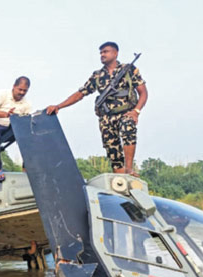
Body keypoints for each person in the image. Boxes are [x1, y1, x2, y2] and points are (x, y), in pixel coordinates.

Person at [46, 42, 148, 176]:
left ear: (115, 53)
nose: (102, 55)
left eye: (105, 52)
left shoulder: (128, 69)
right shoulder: (97, 75)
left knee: (128, 127)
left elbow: (143, 93)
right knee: (113, 151)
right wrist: (59, 106)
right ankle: (120, 178)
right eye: (101, 53)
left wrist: (136, 111)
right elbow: (80, 94)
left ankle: (129, 169)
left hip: (125, 112)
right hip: (106, 117)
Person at [0, 76, 32, 182]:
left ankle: (26, 168)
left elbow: (26, 121)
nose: (22, 92)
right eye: (20, 89)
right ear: (14, 86)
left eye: (25, 91)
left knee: (29, 135)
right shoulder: (2, 94)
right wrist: (6, 114)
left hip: (12, 128)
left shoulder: (27, 104)